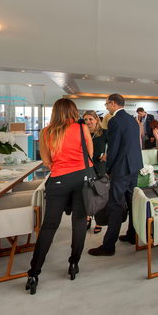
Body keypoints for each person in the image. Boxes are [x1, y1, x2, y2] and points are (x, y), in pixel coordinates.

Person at [25, 98, 93, 295]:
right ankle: (73, 264)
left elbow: (46, 161)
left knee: (49, 226)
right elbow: (89, 154)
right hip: (82, 178)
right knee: (79, 222)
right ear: (73, 111)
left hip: (58, 180)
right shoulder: (81, 128)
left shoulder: (46, 132)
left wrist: (60, 165)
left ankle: (34, 273)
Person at [88, 94, 143, 255]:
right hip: (134, 166)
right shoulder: (132, 120)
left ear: (113, 103)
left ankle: (108, 246)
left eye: (107, 104)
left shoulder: (115, 121)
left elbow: (113, 148)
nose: (106, 107)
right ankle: (132, 235)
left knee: (115, 205)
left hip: (121, 168)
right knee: (132, 202)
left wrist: (108, 169)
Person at [83, 110, 108, 234]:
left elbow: (115, 145)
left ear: (96, 120)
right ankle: (87, 218)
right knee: (86, 195)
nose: (88, 122)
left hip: (99, 167)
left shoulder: (104, 133)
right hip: (84, 167)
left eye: (90, 119)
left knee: (99, 195)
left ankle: (99, 222)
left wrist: (107, 155)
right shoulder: (81, 133)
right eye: (86, 119)